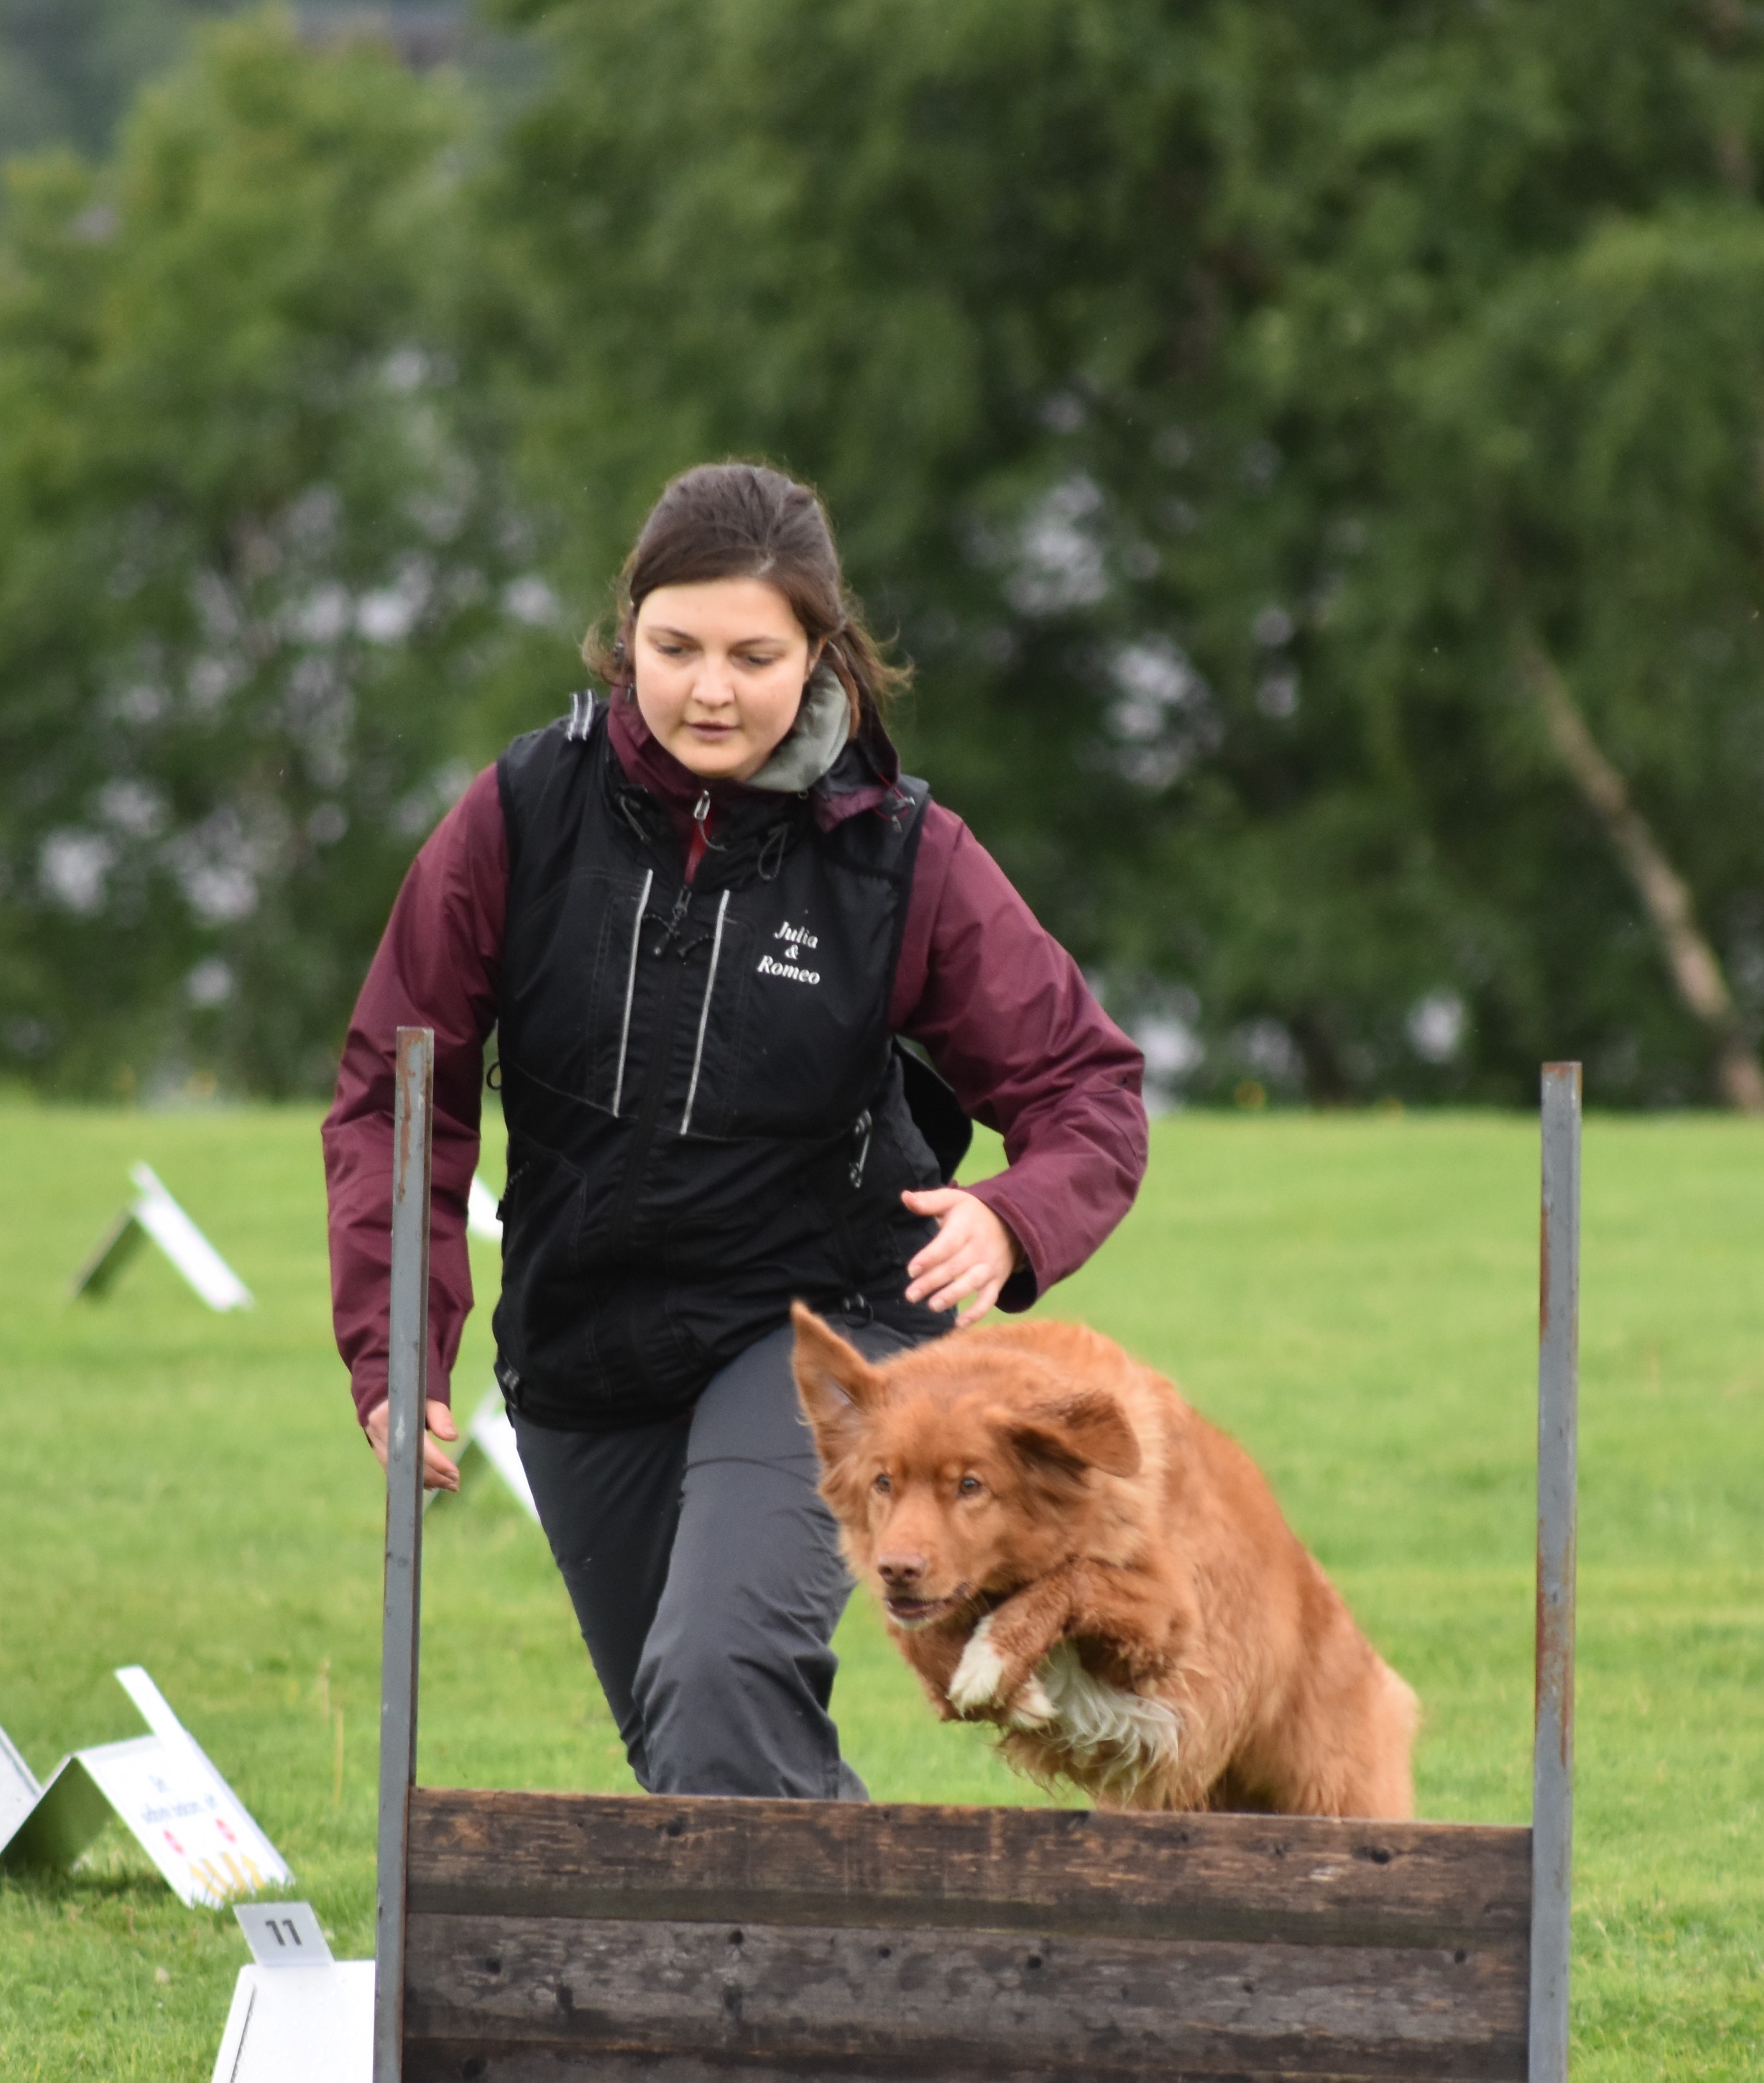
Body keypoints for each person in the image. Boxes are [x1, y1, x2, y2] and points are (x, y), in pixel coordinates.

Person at [321, 462, 1147, 1800]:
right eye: (677, 647)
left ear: (821, 656)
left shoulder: (904, 856)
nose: (712, 689)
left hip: (823, 1327)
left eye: (756, 655)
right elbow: (394, 1091)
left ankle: (874, 2003)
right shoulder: (522, 813)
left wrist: (1012, 1215)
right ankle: (898, 1986)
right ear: (625, 634)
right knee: (697, 1761)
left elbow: (1088, 1090)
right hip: (584, 1353)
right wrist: (396, 1343)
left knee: (719, 1681)